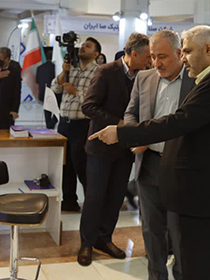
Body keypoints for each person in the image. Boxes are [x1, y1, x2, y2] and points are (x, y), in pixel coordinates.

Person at [90, 25, 210, 280]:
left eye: (187, 51)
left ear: (208, 49)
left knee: (198, 266)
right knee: (196, 260)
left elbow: (179, 121)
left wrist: (122, 133)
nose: (183, 58)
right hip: (200, 189)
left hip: (209, 194)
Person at [124, 30, 195, 280]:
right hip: (149, 165)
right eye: (153, 56)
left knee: (180, 232)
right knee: (152, 230)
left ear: (179, 53)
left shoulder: (196, 81)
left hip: (181, 167)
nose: (156, 63)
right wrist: (136, 136)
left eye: (162, 57)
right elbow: (131, 113)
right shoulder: (144, 78)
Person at [77, 33, 151, 266]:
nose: (151, 61)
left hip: (125, 150)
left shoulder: (145, 76)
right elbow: (88, 106)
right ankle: (87, 243)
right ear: (134, 54)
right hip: (100, 148)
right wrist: (119, 124)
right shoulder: (106, 71)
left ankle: (104, 238)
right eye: (148, 56)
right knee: (95, 197)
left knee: (115, 198)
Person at [51, 38, 101, 212]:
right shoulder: (71, 68)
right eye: (83, 45)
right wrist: (63, 72)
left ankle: (92, 204)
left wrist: (75, 91)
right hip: (64, 124)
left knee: (82, 165)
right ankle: (69, 201)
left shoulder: (98, 71)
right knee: (65, 165)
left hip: (83, 125)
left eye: (88, 46)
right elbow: (55, 88)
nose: (83, 48)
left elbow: (94, 99)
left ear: (96, 54)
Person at [36, 49, 58, 129]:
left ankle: (48, 126)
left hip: (43, 91)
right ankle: (51, 125)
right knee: (57, 110)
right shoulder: (55, 68)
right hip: (54, 92)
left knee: (47, 111)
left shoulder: (40, 67)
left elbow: (37, 81)